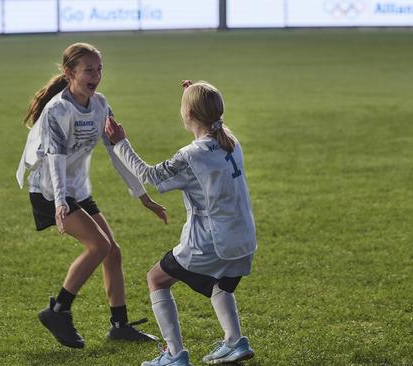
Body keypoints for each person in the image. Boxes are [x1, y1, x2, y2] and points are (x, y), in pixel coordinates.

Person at [16, 42, 167, 349]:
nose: (96, 75)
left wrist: (143, 196)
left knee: (113, 251)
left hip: (77, 190)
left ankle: (119, 326)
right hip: (49, 190)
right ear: (69, 72)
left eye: (99, 69)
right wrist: (59, 202)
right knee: (98, 246)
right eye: (89, 70)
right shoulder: (57, 110)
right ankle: (57, 310)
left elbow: (117, 153)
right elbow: (55, 160)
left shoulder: (100, 104)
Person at [105, 80, 257, 365]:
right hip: (244, 239)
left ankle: (174, 355)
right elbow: (208, 121)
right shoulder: (231, 142)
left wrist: (120, 143)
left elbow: (149, 175)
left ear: (188, 115)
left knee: (156, 279)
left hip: (211, 241)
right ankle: (235, 342)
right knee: (220, 285)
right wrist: (194, 95)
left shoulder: (191, 155)